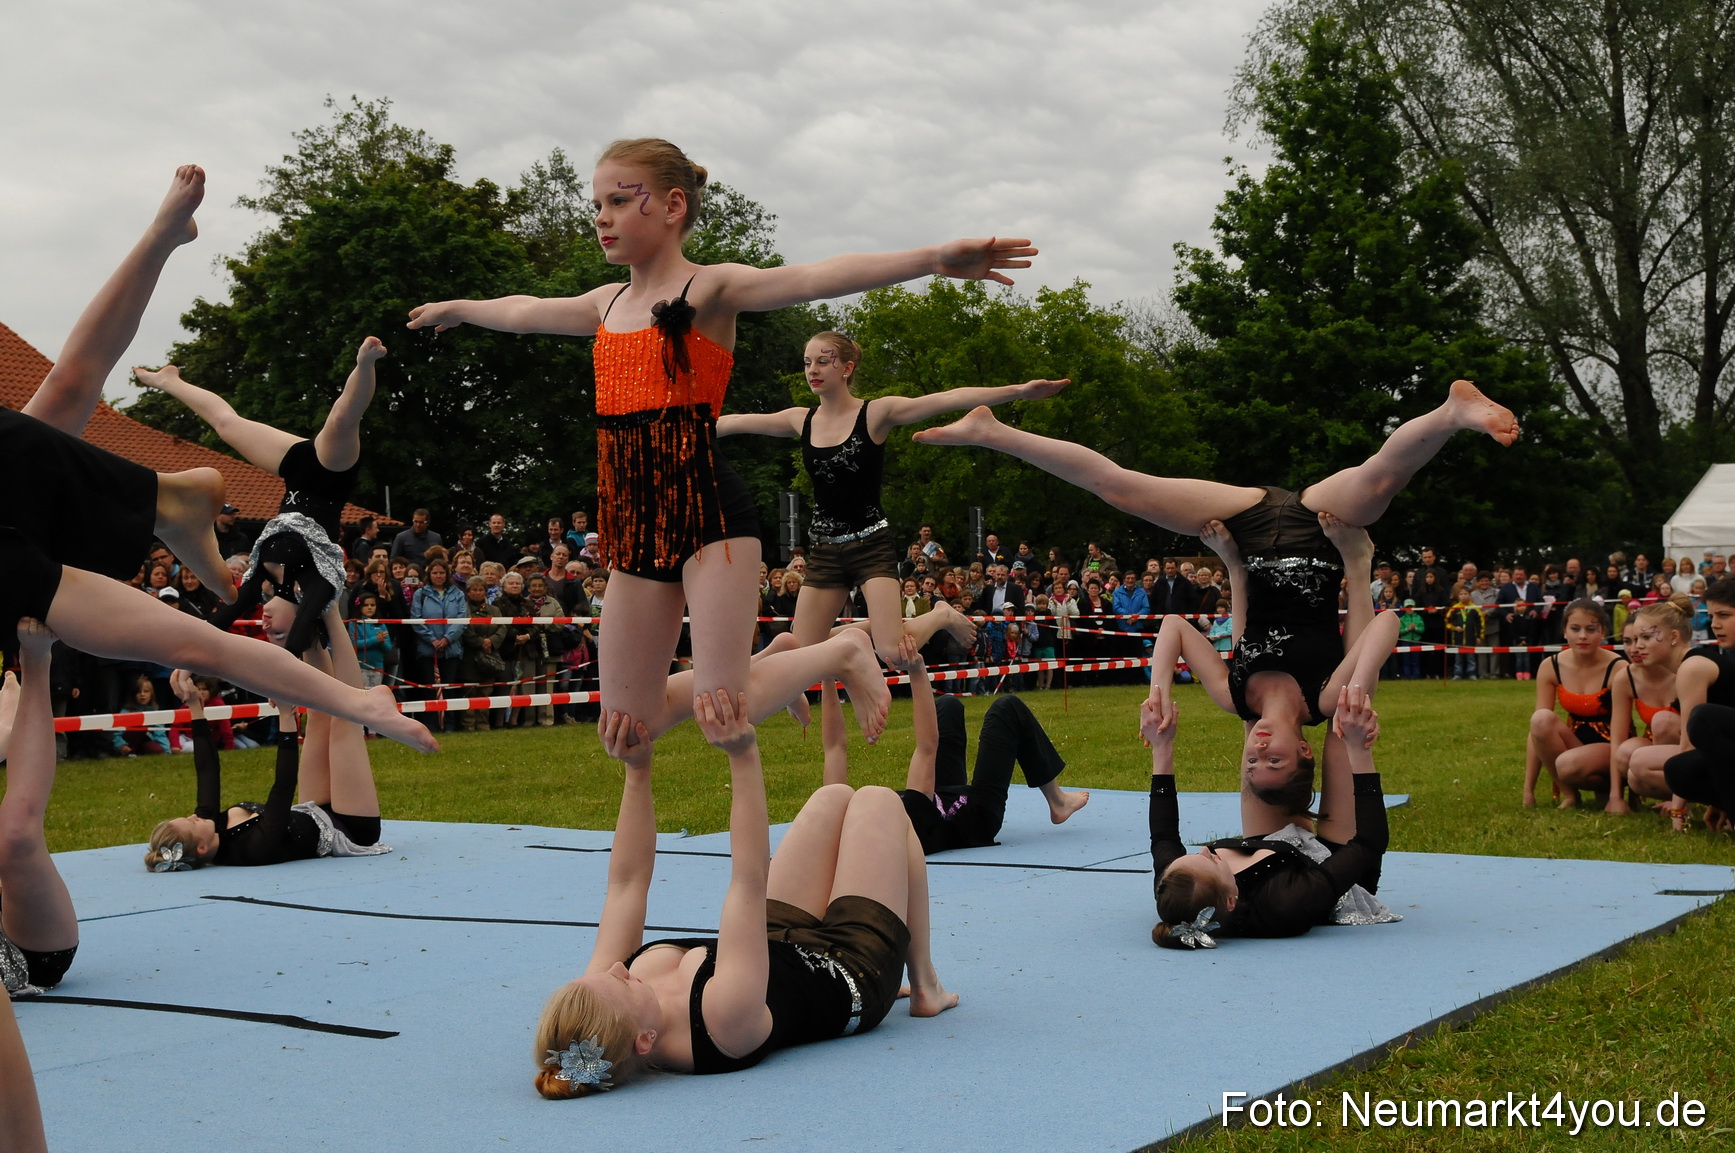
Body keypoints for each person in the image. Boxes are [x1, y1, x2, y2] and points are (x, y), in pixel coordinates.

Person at [409, 138, 1036, 774]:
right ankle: (826, 655)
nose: (602, 217)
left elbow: (813, 277)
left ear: (673, 205)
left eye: (620, 201)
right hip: (635, 524)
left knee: (723, 709)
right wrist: (461, 308)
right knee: (627, 727)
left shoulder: (710, 289)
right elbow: (523, 310)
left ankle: (837, 654)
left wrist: (933, 258)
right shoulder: (606, 303)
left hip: (707, 512)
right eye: (596, 203)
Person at [917, 378, 1514, 774]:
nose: (1258, 754)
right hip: (1320, 526)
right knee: (1381, 481)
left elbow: (1212, 626)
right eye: (1274, 763)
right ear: (1304, 750)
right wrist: (1354, 560)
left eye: (1253, 766)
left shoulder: (1232, 698)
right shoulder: (1326, 702)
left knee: (1122, 488)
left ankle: (993, 431)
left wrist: (1231, 564)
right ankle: (1452, 412)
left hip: (1248, 525)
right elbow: (1362, 633)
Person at [532, 694, 955, 1096]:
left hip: (774, 945)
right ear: (645, 1041)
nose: (617, 969)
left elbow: (626, 884)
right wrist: (743, 756)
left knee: (834, 798)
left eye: (604, 974)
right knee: (879, 803)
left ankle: (921, 980)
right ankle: (925, 986)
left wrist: (637, 770)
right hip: (850, 970)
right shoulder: (721, 1021)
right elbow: (748, 878)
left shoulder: (606, 1003)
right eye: (623, 983)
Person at [137, 337, 387, 655]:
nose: (267, 623)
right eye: (277, 629)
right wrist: (288, 657)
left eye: (270, 630)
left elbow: (225, 616)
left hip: (295, 471)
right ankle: (365, 364)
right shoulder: (319, 585)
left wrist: (187, 660)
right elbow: (296, 642)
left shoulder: (261, 579)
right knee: (341, 421)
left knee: (226, 424)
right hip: (331, 475)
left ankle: (169, 380)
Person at [1147, 684, 1396, 948]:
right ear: (1231, 900)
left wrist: (1161, 747)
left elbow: (1163, 838)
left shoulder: (1176, 888)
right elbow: (1370, 842)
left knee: (1258, 718)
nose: (1203, 852)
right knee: (1343, 731)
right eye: (1210, 861)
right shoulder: (1285, 902)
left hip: (1277, 844)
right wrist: (1360, 751)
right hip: (1337, 866)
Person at [144, 610, 394, 869]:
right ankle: (331, 613)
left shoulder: (209, 824)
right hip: (349, 829)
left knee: (319, 712)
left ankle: (307, 615)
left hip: (312, 810)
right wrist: (286, 717)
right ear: (203, 847)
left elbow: (207, 769)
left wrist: (195, 706)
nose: (194, 815)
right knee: (344, 720)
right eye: (192, 822)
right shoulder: (252, 850)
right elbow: (283, 787)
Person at [893, 640, 1087, 853]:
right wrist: (916, 669)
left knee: (948, 705)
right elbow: (926, 746)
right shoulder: (911, 818)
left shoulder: (882, 819)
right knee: (1007, 709)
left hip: (941, 801)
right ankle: (1058, 801)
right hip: (978, 816)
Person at [0, 620, 80, 995]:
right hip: (28, 951)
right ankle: (5, 737)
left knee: (15, 833)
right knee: (15, 833)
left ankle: (35, 660)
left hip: (23, 947)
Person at [1524, 599, 1623, 808]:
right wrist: (1528, 792)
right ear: (1564, 631)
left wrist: (1617, 796)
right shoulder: (1550, 666)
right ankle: (1570, 795)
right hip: (1574, 741)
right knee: (1541, 719)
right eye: (1575, 629)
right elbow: (1536, 733)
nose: (1583, 636)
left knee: (1568, 764)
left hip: (1612, 745)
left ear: (1603, 631)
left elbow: (1623, 729)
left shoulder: (1618, 667)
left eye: (1591, 629)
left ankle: (1611, 788)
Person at [1662, 576, 1735, 830]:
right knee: (1678, 771)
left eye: (1724, 615)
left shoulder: (1697, 664)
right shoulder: (1729, 653)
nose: (1715, 625)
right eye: (1712, 616)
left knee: (1704, 718)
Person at [1610, 601, 1688, 823]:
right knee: (1625, 754)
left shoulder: (1685, 669)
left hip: (1692, 747)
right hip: (1659, 750)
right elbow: (1616, 739)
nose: (1634, 648)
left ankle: (1684, 799)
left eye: (1643, 639)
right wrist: (1615, 797)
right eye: (1628, 641)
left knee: (1662, 721)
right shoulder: (1626, 677)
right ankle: (1667, 796)